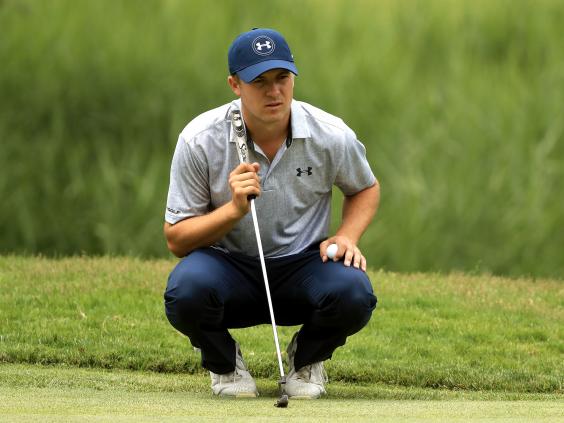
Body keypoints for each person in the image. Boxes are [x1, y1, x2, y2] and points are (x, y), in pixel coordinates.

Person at [163, 28, 380, 399]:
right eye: (259, 81)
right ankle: (226, 365)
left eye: (282, 78)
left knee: (354, 291)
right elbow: (176, 239)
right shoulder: (199, 139)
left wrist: (346, 236)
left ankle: (307, 358)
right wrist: (232, 210)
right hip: (228, 268)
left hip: (304, 268)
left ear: (293, 77)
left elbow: (364, 188)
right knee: (187, 291)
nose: (274, 91)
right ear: (235, 84)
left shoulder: (330, 135)